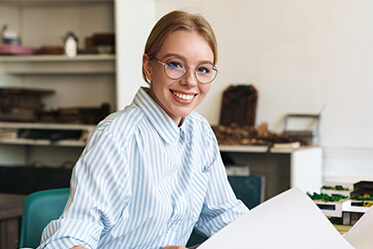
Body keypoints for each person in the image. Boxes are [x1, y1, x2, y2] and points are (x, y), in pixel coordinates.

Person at [38, 10, 249, 249]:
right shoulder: (117, 136)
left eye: (203, 69)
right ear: (148, 67)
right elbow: (69, 240)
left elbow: (222, 215)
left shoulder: (200, 133)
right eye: (175, 65)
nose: (190, 81)